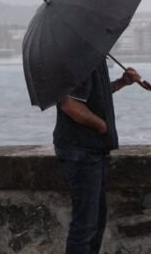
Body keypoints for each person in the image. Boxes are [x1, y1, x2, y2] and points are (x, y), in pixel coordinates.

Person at [53, 61, 142, 254]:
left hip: (90, 149)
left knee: (95, 222)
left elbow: (93, 95)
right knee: (85, 226)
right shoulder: (80, 61)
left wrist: (121, 82)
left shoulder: (92, 58)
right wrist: (101, 125)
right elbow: (70, 105)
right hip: (81, 150)